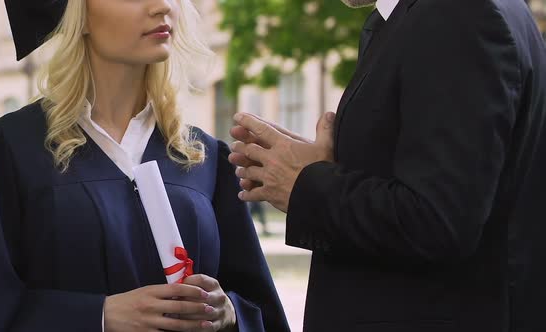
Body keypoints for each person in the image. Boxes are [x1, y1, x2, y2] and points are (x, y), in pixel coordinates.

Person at [0, 1, 290, 331]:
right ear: (78, 14)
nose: (162, 6)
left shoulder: (203, 159)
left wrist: (228, 312)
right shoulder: (8, 151)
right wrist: (98, 317)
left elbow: (260, 309)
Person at [229, 0, 546, 331]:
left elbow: (437, 220)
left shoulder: (456, 13)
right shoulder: (431, 15)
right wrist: (326, 165)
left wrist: (306, 184)